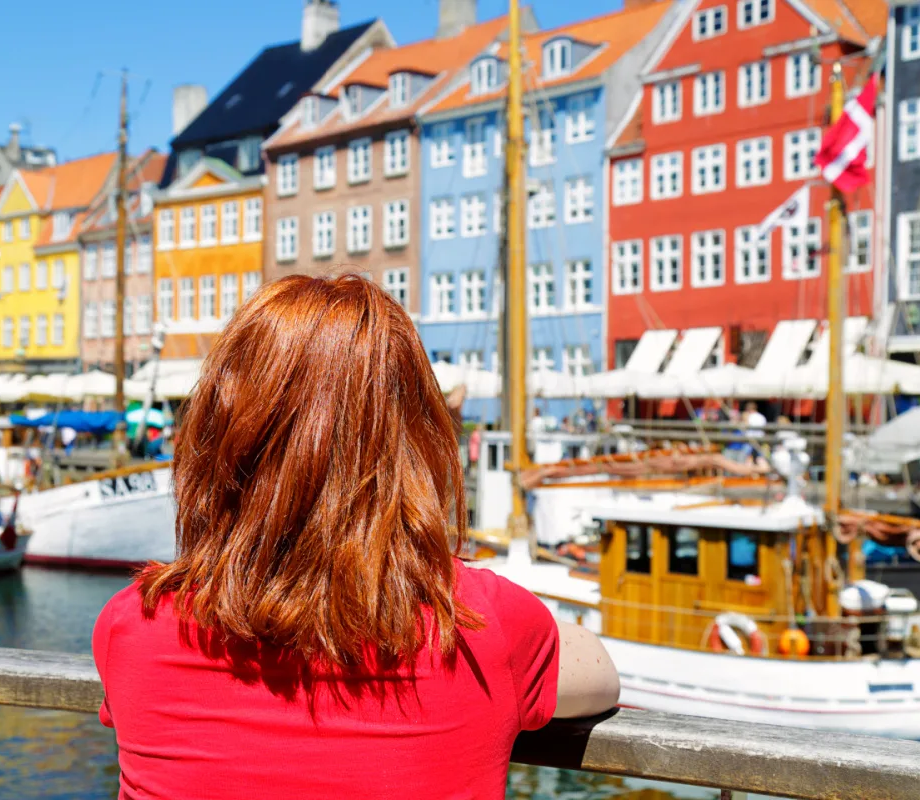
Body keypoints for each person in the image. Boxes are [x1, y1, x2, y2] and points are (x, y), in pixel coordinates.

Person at [93, 275, 618, 800]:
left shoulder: (132, 628)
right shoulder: (480, 627)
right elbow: (598, 678)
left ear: (220, 436)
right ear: (415, 442)